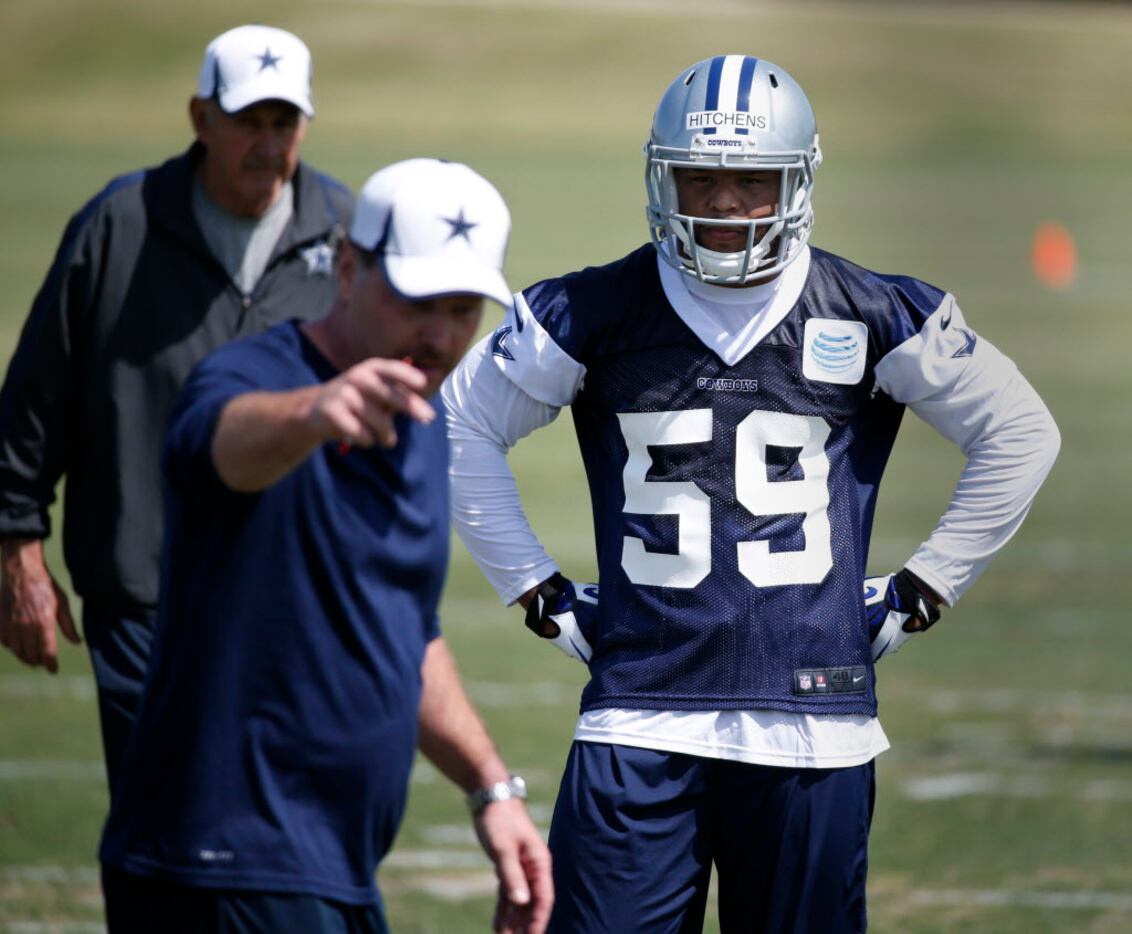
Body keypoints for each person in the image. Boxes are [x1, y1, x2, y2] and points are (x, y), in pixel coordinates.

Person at [441, 54, 1060, 931]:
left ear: (798, 181)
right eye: (700, 176)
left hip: (816, 722)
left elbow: (1020, 430)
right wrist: (533, 589)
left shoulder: (870, 309)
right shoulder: (592, 311)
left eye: (750, 179)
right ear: (662, 176)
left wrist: (926, 586)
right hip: (638, 720)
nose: (723, 203)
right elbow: (458, 421)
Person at [98, 158, 553, 933]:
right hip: (221, 862)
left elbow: (403, 630)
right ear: (347, 267)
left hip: (330, 865)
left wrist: (489, 787)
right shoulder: (253, 376)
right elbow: (219, 444)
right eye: (416, 300)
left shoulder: (423, 421)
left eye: (463, 307)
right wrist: (314, 411)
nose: (441, 335)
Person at [0, 24, 353, 795]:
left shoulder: (345, 231)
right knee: (163, 828)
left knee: (287, 826)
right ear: (200, 118)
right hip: (147, 598)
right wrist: (16, 544)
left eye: (284, 124)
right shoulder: (120, 224)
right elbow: (35, 397)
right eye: (247, 123)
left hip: (299, 597)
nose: (267, 145)